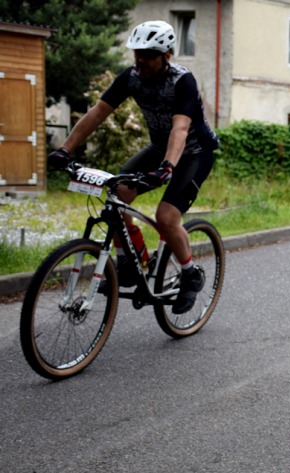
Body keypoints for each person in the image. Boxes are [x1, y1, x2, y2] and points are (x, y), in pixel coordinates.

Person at [47, 20, 220, 314]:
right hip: (158, 148)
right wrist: (65, 148)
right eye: (137, 52)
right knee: (116, 196)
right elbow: (98, 112)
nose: (140, 59)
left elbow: (180, 128)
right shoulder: (131, 78)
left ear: (166, 55)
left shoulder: (182, 81)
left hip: (194, 152)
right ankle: (129, 263)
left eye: (149, 54)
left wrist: (167, 167)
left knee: (166, 216)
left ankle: (190, 273)